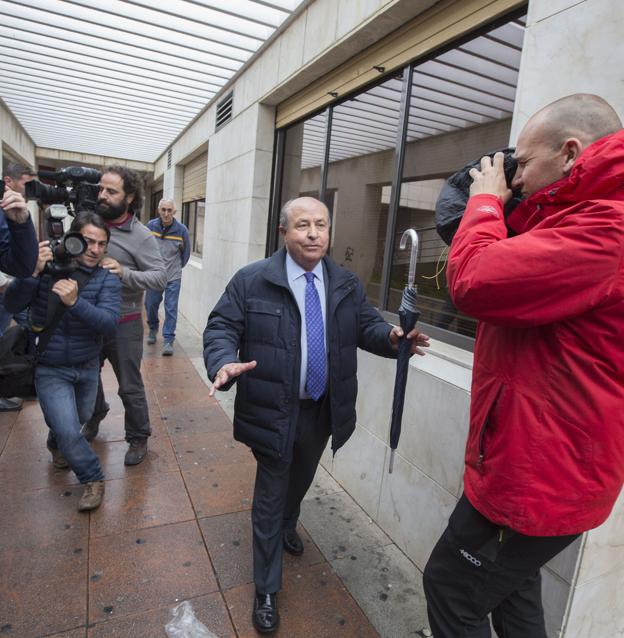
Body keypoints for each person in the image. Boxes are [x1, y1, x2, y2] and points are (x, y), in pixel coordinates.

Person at [423, 94, 624, 637]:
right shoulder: (579, 215)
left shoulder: (609, 229)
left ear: (570, 153)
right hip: (537, 462)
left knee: (451, 590)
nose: (516, 179)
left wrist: (484, 203)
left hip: (540, 472)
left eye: (525, 163)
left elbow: (476, 280)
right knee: (513, 595)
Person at [204, 196, 429, 634]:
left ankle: (290, 521)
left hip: (323, 408)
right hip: (273, 409)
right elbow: (221, 326)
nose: (313, 233)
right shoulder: (253, 280)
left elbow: (367, 327)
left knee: (301, 478)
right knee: (270, 494)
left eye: (321, 225)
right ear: (283, 232)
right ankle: (267, 588)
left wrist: (394, 337)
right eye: (302, 225)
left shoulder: (344, 282)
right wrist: (221, 361)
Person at [4, 212, 121, 511]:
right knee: (71, 430)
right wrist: (31, 274)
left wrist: (75, 302)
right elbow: (11, 304)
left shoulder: (107, 279)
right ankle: (93, 479)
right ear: (73, 239)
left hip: (87, 366)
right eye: (89, 242)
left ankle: (55, 442)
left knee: (79, 418)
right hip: (50, 367)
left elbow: (108, 323)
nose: (96, 250)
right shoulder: (45, 270)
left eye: (102, 244)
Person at [81, 166, 166, 466]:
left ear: (129, 197)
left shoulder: (141, 236)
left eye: (111, 191)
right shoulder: (88, 223)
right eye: (101, 189)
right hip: (87, 318)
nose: (102, 195)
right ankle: (94, 414)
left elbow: (160, 278)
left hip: (124, 323)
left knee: (129, 385)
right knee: (87, 378)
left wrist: (124, 273)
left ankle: (138, 435)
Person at [0, 164, 39, 411]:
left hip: (12, 288)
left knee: (28, 329)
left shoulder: (15, 211)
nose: (30, 190)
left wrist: (21, 222)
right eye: (26, 183)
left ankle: (21, 381)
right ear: (8, 181)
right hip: (5, 288)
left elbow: (23, 263)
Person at [145, 198, 190, 356]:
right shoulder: (150, 226)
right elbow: (144, 248)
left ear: (174, 212)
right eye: (163, 210)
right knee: (150, 305)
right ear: (159, 211)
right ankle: (152, 328)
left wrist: (176, 269)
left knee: (171, 308)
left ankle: (168, 339)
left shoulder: (182, 230)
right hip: (154, 275)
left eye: (169, 210)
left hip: (173, 276)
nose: (166, 213)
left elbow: (186, 254)